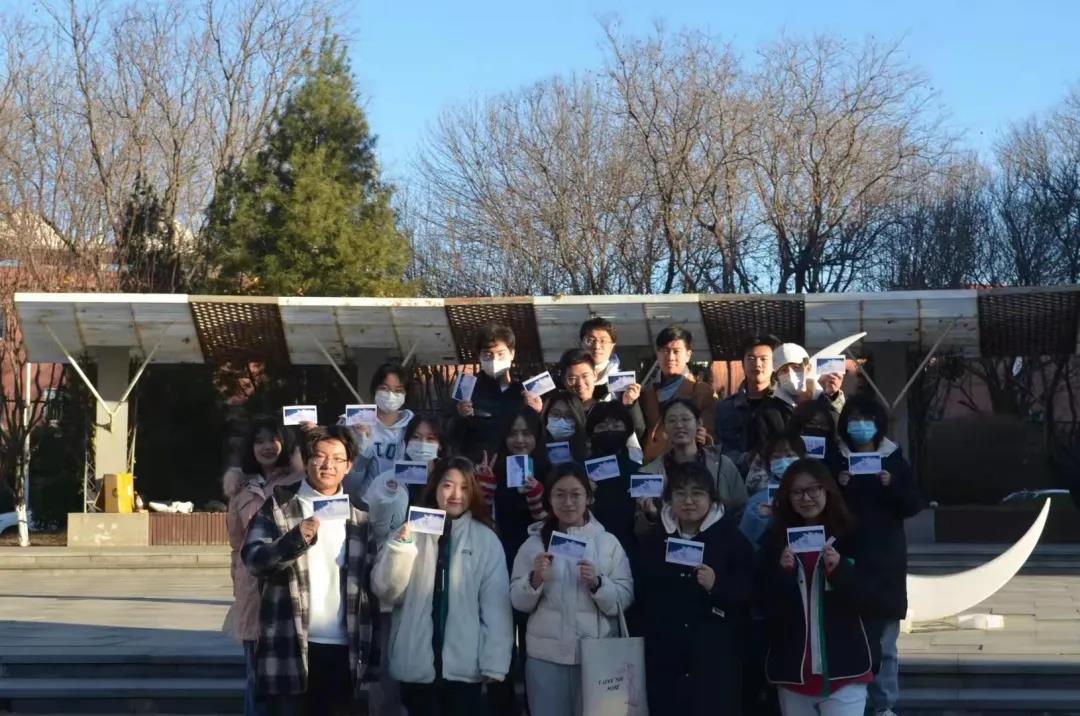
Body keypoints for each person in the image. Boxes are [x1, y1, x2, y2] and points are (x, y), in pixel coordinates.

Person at [242, 426, 379, 716]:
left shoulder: (360, 514)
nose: (328, 465)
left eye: (338, 459)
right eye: (320, 456)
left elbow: (371, 584)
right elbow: (253, 560)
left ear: (349, 466)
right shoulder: (279, 505)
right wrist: (294, 540)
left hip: (345, 648)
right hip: (290, 645)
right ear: (306, 460)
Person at [372, 457, 514, 715]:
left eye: (464, 487)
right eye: (448, 485)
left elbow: (496, 607)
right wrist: (400, 549)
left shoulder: (486, 539)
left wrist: (494, 662)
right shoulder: (411, 530)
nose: (456, 495)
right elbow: (387, 591)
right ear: (435, 487)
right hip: (415, 664)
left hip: (464, 668)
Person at [510, 463, 635, 716]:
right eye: (560, 494)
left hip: (597, 657)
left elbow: (624, 597)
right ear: (549, 499)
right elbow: (517, 601)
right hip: (546, 659)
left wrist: (598, 584)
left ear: (588, 498)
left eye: (576, 494)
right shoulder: (534, 544)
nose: (568, 502)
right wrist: (534, 579)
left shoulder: (608, 543)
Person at [634, 462, 755, 716]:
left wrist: (717, 586)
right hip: (665, 655)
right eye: (680, 493)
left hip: (714, 656)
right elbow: (642, 594)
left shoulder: (731, 539)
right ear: (669, 499)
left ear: (712, 498)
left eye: (697, 493)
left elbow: (750, 591)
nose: (688, 501)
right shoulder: (654, 540)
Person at [761, 459, 876, 716]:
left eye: (813, 489)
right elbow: (764, 603)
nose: (806, 498)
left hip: (845, 669)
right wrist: (783, 574)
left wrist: (840, 571)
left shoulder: (853, 534)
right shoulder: (775, 540)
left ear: (827, 490)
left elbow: (873, 598)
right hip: (792, 671)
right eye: (797, 492)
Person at [831, 395, 921, 716]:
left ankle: (884, 706)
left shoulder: (893, 458)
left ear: (878, 423)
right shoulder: (835, 459)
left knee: (885, 644)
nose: (860, 426)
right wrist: (837, 485)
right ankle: (854, 704)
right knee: (849, 636)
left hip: (886, 563)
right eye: (853, 419)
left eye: (866, 419)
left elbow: (913, 503)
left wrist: (891, 484)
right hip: (846, 562)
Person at [357, 413, 447, 716]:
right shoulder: (387, 480)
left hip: (431, 590)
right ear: (405, 443)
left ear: (441, 445)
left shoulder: (447, 483)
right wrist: (388, 498)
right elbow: (370, 526)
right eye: (417, 438)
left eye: (431, 439)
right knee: (387, 676)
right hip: (391, 590)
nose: (423, 445)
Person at [223, 417, 303, 716]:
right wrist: (239, 586)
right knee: (255, 681)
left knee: (290, 685)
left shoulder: (298, 482)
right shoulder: (241, 489)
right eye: (259, 441)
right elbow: (236, 545)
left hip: (289, 588)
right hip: (252, 593)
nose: (267, 446)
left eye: (273, 439)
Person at [473, 406, 549, 716]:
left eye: (526, 433)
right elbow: (479, 520)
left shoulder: (548, 469)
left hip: (536, 568)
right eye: (513, 433)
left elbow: (552, 524)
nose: (519, 440)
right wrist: (483, 489)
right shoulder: (494, 469)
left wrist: (536, 496)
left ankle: (535, 705)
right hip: (499, 565)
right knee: (499, 638)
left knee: (533, 643)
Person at [641, 399, 748, 526]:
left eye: (685, 419)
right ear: (664, 428)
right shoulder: (650, 473)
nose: (679, 425)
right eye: (672, 420)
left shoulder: (723, 466)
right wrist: (651, 516)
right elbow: (638, 525)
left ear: (698, 423)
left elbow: (742, 510)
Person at [452, 323, 543, 461]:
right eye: (487, 355)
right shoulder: (466, 389)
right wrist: (460, 417)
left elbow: (540, 436)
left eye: (500, 354)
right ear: (479, 357)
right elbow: (452, 437)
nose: (494, 360)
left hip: (518, 466)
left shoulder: (526, 390)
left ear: (512, 354)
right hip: (481, 466)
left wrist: (538, 412)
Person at [640, 326, 717, 462]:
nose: (670, 357)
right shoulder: (646, 392)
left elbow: (710, 434)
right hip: (651, 464)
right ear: (657, 353)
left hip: (685, 463)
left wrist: (705, 438)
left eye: (676, 351)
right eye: (665, 351)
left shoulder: (701, 391)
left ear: (688, 355)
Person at [584, 400, 642, 554]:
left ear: (627, 430)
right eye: (602, 427)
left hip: (627, 547)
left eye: (616, 426)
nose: (609, 431)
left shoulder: (638, 471)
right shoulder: (579, 472)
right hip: (590, 548)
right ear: (591, 432)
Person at [715, 334, 779, 471]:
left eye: (764, 359)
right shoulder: (724, 408)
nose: (757, 364)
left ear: (775, 364)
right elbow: (719, 449)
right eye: (751, 358)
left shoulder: (783, 405)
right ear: (743, 364)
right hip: (734, 477)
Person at [579, 317, 646, 436]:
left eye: (603, 341)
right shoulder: (570, 378)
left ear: (612, 346)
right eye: (590, 340)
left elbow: (639, 430)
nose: (597, 346)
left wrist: (630, 405)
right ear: (581, 344)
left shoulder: (627, 380)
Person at [739, 434, 807, 549]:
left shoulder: (815, 493)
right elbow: (745, 542)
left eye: (790, 455)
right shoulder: (757, 502)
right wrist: (759, 516)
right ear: (768, 463)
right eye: (776, 457)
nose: (783, 461)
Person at [750, 343, 820, 454]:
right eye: (784, 370)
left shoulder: (823, 402)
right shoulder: (767, 412)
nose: (791, 374)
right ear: (776, 376)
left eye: (796, 367)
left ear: (808, 368)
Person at [353, 363, 415, 484]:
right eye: (384, 388)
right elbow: (349, 479)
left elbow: (417, 476)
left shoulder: (414, 426)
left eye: (398, 390)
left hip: (402, 494)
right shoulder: (357, 423)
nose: (391, 395)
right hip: (364, 495)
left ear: (406, 394)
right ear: (374, 390)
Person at [542, 390, 589, 462]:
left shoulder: (588, 450)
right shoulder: (534, 447)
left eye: (569, 416)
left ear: (577, 418)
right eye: (555, 414)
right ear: (546, 416)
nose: (562, 420)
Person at [816, 359, 848, 426]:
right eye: (828, 374)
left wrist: (833, 394)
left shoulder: (846, 403)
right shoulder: (811, 396)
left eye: (837, 376)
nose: (832, 377)